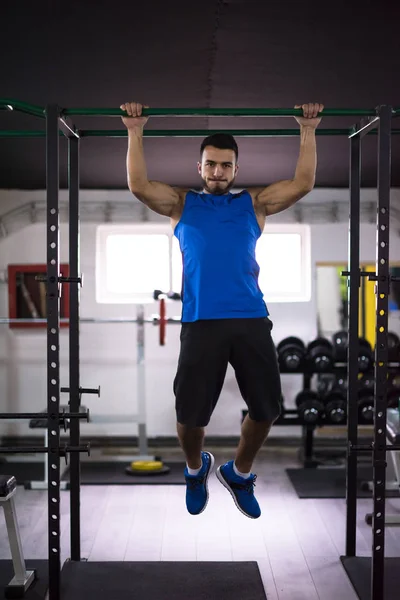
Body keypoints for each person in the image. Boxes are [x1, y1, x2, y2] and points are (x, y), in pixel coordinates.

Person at [121, 101, 323, 519]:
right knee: (190, 417)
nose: (217, 172)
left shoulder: (255, 204)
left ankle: (239, 472)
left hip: (250, 318)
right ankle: (196, 470)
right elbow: (139, 185)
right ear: (199, 167)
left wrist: (308, 129)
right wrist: (135, 130)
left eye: (225, 166)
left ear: (235, 169)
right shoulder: (181, 204)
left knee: (267, 410)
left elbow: (302, 183)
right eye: (210, 165)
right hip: (201, 322)